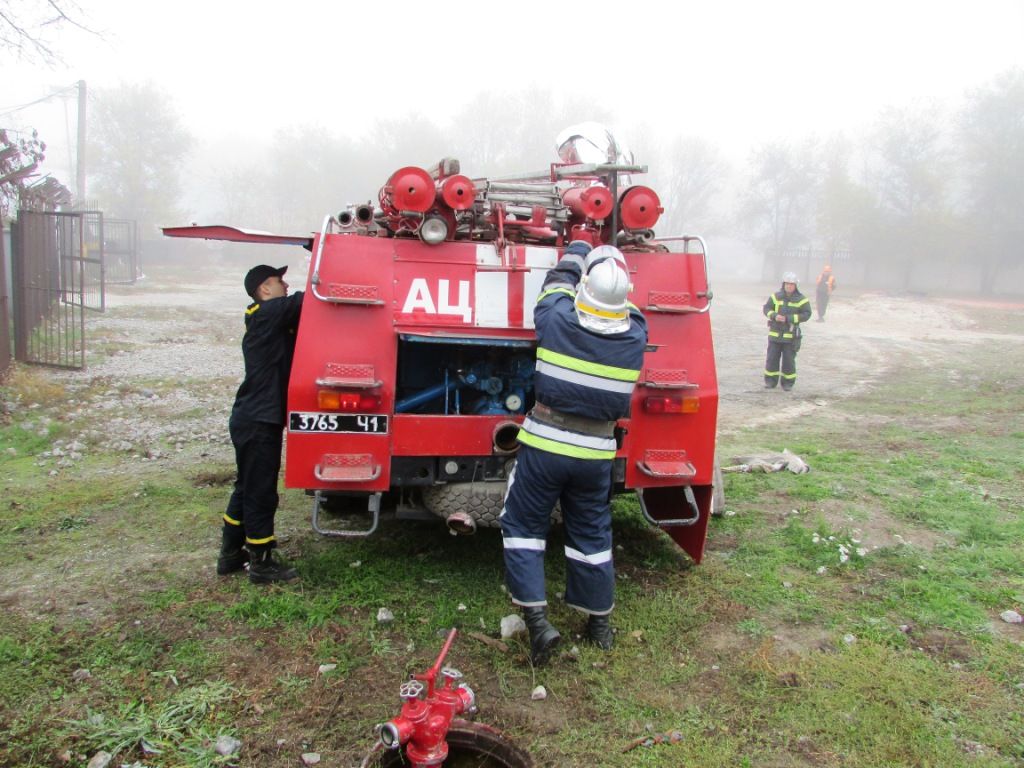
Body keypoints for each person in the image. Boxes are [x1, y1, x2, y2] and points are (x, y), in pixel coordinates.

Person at [500, 241, 648, 665]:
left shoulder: (557, 319)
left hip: (546, 446)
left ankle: (538, 624)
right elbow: (629, 307)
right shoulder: (636, 334)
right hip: (596, 455)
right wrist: (610, 259)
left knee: (524, 525)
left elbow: (554, 286)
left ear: (584, 293)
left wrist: (579, 250)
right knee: (592, 534)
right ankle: (598, 624)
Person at [218, 264, 304, 584]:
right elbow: (305, 301)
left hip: (251, 418)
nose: (284, 284)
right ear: (264, 289)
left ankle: (229, 556)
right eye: (278, 281)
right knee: (260, 492)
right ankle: (261, 563)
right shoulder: (266, 313)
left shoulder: (264, 317)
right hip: (257, 421)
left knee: (246, 486)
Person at [763, 271, 811, 391]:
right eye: (787, 284)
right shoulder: (776, 296)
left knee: (789, 361)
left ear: (795, 286)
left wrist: (789, 318)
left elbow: (807, 314)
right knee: (772, 359)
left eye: (791, 284)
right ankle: (770, 381)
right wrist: (774, 315)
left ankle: (788, 383)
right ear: (783, 284)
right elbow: (766, 308)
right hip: (775, 335)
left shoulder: (802, 299)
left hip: (791, 337)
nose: (789, 286)